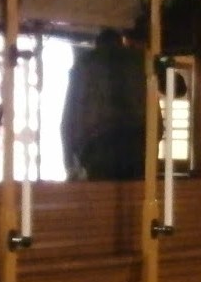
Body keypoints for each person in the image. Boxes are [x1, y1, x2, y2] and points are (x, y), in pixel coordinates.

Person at [61, 28, 148, 180]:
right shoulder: (138, 62)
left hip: (97, 146)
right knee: (137, 193)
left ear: (97, 44)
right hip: (135, 141)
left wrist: (70, 166)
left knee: (101, 194)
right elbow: (154, 114)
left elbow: (68, 120)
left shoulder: (84, 65)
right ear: (121, 42)